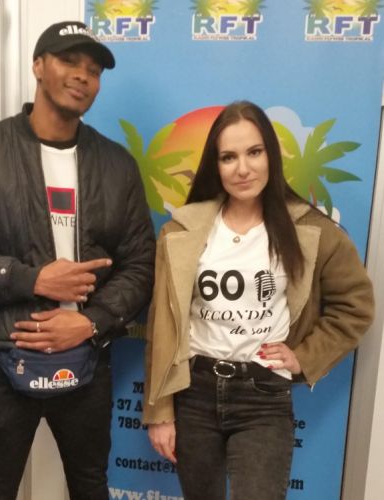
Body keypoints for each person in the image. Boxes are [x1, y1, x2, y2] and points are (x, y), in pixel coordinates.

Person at [0, 20, 155, 500]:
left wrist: (90, 322)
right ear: (38, 66)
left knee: (90, 487)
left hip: (88, 359)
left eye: (94, 70)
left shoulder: (117, 165)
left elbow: (140, 265)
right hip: (5, 358)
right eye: (69, 61)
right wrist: (31, 280)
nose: (83, 76)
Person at [142, 101, 374, 500]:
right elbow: (162, 326)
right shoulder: (182, 230)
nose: (243, 168)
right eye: (228, 157)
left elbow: (356, 304)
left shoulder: (310, 228)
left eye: (254, 152)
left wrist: (305, 357)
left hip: (264, 396)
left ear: (271, 156)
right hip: (194, 393)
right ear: (215, 165)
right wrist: (159, 412)